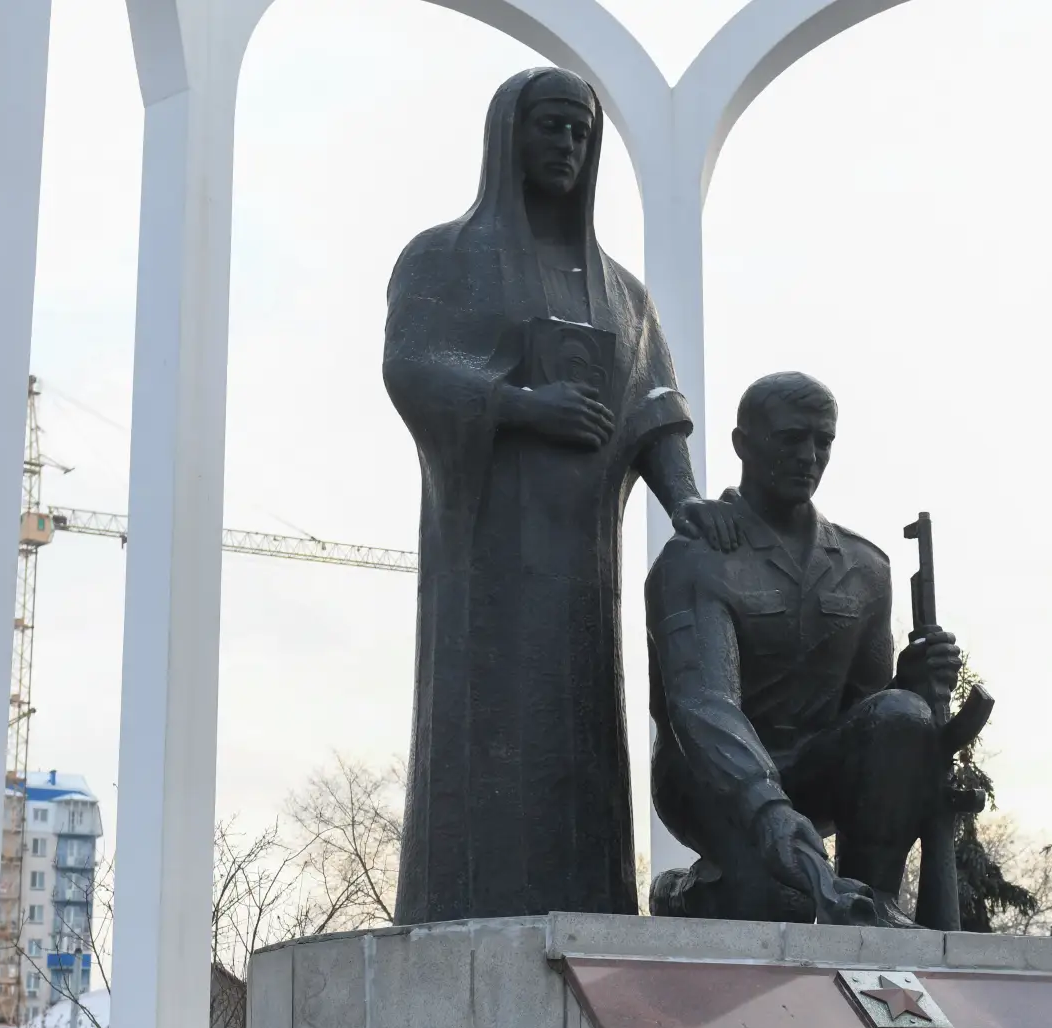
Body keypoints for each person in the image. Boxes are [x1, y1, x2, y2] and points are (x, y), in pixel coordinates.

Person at [383, 68, 738, 923]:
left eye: (582, 132)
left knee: (579, 734)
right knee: (485, 734)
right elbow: (413, 365)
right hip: (485, 562)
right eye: (552, 126)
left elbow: (654, 409)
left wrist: (686, 500)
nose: (568, 145)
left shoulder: (623, 295)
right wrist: (519, 404)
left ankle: (592, 907)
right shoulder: (443, 258)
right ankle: (458, 907)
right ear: (509, 133)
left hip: (583, 571)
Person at [645, 371, 963, 923]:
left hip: (808, 770)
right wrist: (769, 811)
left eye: (823, 441)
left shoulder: (865, 568)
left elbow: (864, 716)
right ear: (743, 444)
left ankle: (872, 902)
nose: (809, 456)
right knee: (776, 905)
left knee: (901, 714)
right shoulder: (696, 557)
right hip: (709, 779)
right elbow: (704, 709)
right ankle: (682, 892)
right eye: (791, 438)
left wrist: (910, 690)